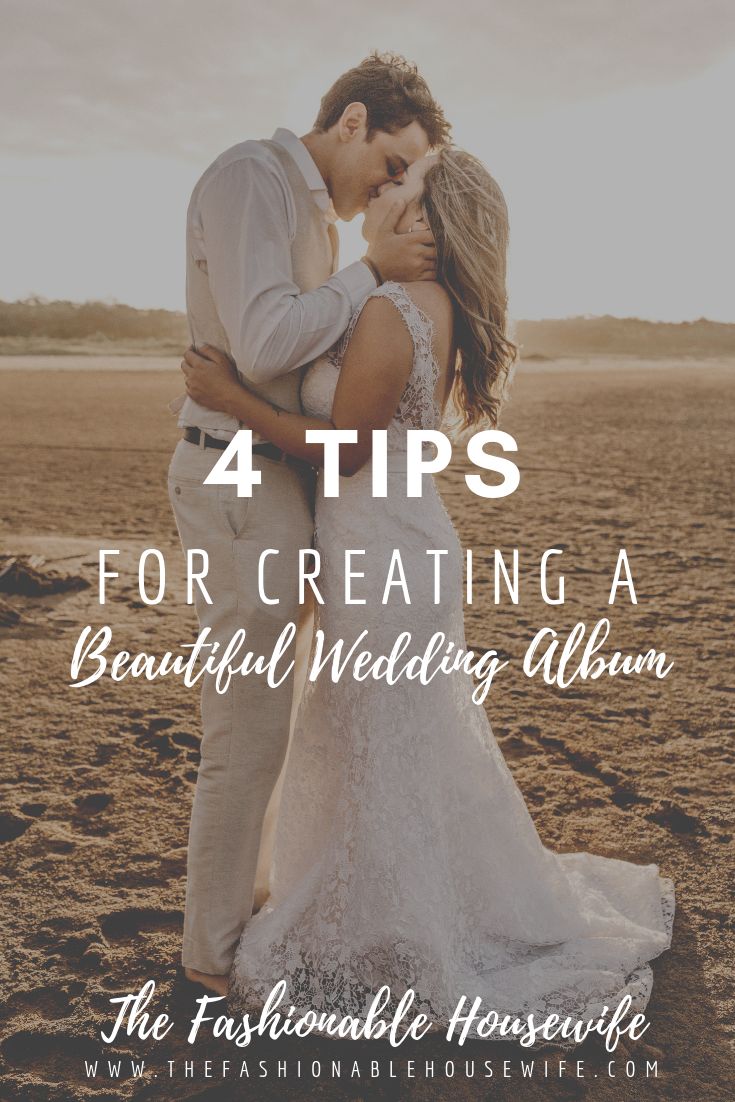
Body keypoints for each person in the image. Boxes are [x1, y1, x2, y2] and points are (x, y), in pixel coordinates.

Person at [182, 146, 674, 1032]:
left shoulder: (389, 309)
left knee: (374, 736)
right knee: (388, 737)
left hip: (380, 554)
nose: (382, 187)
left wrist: (230, 397)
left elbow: (345, 448)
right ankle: (396, 908)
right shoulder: (419, 303)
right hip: (394, 542)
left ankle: (403, 928)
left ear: (421, 219)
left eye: (399, 183)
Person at [169, 53, 451, 996]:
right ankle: (209, 960)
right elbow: (262, 341)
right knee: (245, 735)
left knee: (275, 724)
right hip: (238, 474)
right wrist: (369, 268)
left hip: (278, 477)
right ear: (351, 120)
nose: (393, 186)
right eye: (392, 163)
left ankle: (240, 910)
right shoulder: (253, 177)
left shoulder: (310, 217)